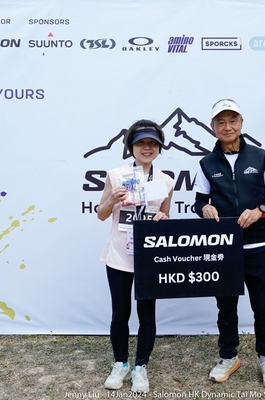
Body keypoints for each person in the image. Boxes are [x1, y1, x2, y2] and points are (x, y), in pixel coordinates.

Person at [194, 99, 265, 388]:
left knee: (263, 305)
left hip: (258, 246)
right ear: (213, 127)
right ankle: (228, 357)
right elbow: (199, 201)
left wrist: (260, 210)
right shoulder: (207, 163)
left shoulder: (261, 156)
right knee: (226, 307)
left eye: (232, 120)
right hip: (224, 247)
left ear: (241, 123)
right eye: (221, 122)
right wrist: (204, 208)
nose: (227, 127)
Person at [97, 119, 174, 393]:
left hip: (148, 257)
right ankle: (120, 363)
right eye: (141, 142)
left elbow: (165, 215)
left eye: (153, 143)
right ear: (130, 146)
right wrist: (112, 199)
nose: (147, 148)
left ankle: (141, 366)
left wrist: (163, 218)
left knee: (147, 315)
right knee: (120, 313)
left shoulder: (166, 181)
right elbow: (101, 214)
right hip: (119, 255)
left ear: (159, 148)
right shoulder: (116, 175)